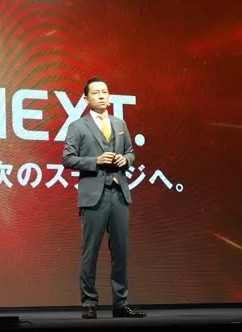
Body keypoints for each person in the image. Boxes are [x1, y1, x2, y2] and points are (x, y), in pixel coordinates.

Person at [62, 77, 146, 319]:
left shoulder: (120, 123)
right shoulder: (78, 126)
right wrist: (95, 161)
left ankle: (120, 303)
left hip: (119, 193)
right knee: (90, 251)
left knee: (120, 251)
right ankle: (89, 302)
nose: (101, 96)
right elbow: (67, 159)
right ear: (85, 98)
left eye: (105, 92)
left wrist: (125, 160)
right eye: (96, 92)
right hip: (93, 195)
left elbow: (131, 152)